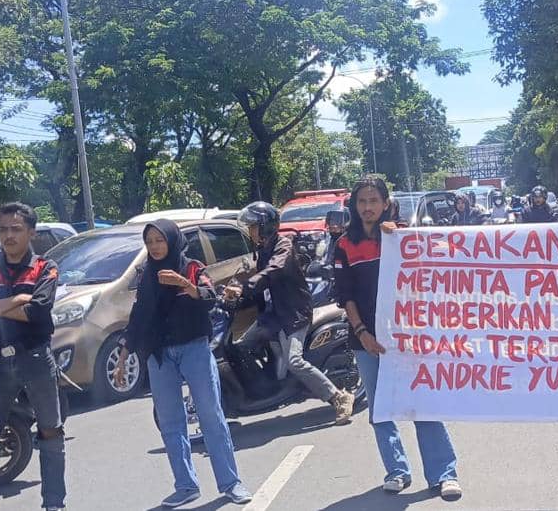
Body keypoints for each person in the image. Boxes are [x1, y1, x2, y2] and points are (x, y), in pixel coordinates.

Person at [334, 177, 462, 501]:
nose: (367, 208)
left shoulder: (402, 235)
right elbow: (345, 295)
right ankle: (397, 470)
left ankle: (443, 474)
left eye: (373, 200)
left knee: (423, 404)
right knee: (381, 409)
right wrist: (362, 332)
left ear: (385, 202)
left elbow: (428, 276)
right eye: (361, 201)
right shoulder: (344, 245)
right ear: (354, 205)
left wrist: (400, 238)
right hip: (365, 340)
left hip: (408, 337)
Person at [115, 220, 252, 507]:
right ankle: (186, 486)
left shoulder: (191, 267)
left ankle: (231, 483)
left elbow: (209, 297)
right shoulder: (146, 275)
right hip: (159, 354)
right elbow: (139, 316)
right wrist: (124, 355)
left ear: (172, 240)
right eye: (149, 241)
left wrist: (185, 285)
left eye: (159, 240)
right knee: (170, 422)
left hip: (194, 349)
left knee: (210, 416)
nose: (154, 246)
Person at [0, 203, 66, 511]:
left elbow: (38, 311)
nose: (9, 235)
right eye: (3, 229)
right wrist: (15, 300)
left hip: (36, 358)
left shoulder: (45, 268)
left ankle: (54, 503)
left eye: (16, 229)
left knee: (50, 431)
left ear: (31, 232)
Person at [225, 202, 356, 425]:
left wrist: (246, 287)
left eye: (254, 226)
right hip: (273, 314)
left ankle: (338, 397)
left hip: (293, 314)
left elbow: (272, 271)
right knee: (243, 346)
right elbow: (249, 275)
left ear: (265, 226)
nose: (251, 231)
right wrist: (233, 290)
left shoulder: (282, 246)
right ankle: (266, 385)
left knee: (295, 361)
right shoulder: (262, 249)